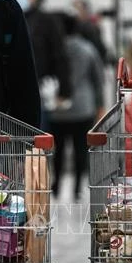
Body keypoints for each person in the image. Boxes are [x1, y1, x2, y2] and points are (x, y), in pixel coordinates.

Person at [49, 12, 104, 200]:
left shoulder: (56, 49)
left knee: (59, 150)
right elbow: (98, 79)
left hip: (59, 109)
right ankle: (78, 188)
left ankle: (55, 185)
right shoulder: (88, 49)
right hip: (83, 108)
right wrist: (100, 105)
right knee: (81, 149)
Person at [13, 0, 71, 130]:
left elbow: (59, 56)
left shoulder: (47, 21)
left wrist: (64, 90)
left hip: (39, 90)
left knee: (37, 136)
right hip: (12, 89)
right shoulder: (9, 18)